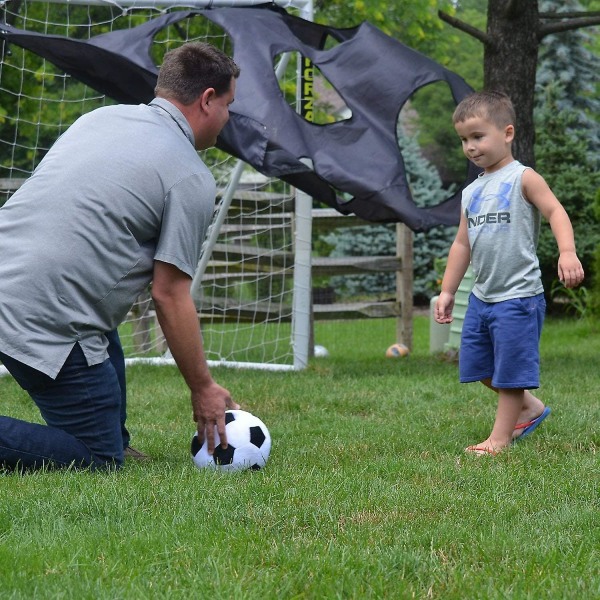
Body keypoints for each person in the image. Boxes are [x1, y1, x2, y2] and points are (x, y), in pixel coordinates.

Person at [0, 42, 241, 472]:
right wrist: (202, 386)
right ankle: (107, 446)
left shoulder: (101, 119)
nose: (228, 118)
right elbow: (169, 295)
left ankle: (116, 439)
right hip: (43, 308)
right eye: (228, 105)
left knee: (101, 310)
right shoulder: (189, 175)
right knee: (96, 460)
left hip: (13, 272)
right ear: (207, 99)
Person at [434, 90, 584, 456]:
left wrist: (567, 251)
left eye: (478, 136)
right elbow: (462, 245)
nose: (470, 147)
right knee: (477, 365)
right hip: (483, 296)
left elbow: (555, 212)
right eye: (464, 140)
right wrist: (449, 290)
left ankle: (499, 440)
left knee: (510, 370)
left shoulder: (523, 178)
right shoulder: (471, 192)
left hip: (518, 296)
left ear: (507, 133)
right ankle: (530, 407)